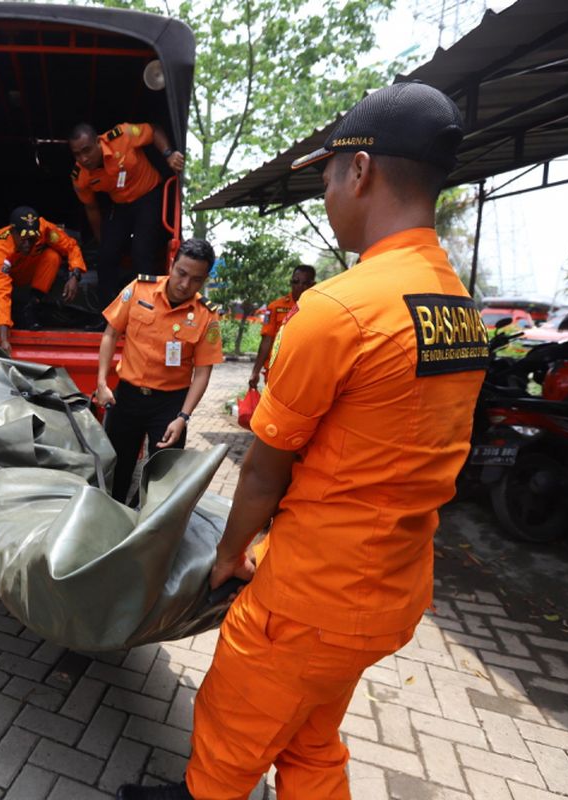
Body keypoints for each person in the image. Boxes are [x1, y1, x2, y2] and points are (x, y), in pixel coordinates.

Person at [116, 81, 484, 800]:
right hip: (394, 588)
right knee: (311, 736)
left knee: (235, 719)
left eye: (325, 175)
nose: (324, 193)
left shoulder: (341, 309)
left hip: (312, 591)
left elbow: (262, 472)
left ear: (361, 170)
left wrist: (228, 555)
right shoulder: (457, 306)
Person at [93, 238, 223, 503]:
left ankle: (146, 528)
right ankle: (113, 518)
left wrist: (183, 417)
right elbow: (110, 333)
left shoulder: (206, 316)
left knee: (163, 477)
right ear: (172, 265)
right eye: (182, 273)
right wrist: (102, 383)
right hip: (127, 397)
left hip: (169, 405)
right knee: (118, 467)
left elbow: (203, 372)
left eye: (196, 279)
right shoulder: (139, 289)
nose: (185, 284)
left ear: (205, 280)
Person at [69, 122, 185, 305]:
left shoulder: (123, 135)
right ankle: (108, 316)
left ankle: (147, 309)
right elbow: (91, 209)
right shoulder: (80, 176)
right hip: (121, 205)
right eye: (77, 154)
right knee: (105, 256)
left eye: (87, 150)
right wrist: (102, 241)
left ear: (99, 142)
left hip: (149, 195)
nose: (83, 158)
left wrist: (168, 155)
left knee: (141, 252)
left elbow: (154, 130)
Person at [0, 205, 87, 353]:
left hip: (26, 272)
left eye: (32, 239)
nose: (28, 244)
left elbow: (71, 247)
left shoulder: (45, 229)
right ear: (12, 232)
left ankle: (32, 307)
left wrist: (75, 275)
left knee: (52, 256)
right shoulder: (0, 246)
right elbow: (0, 289)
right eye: (23, 239)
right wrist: (4, 339)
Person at [248, 265, 316, 389]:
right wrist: (255, 372)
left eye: (305, 283)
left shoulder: (318, 309)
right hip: (276, 369)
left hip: (304, 372)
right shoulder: (275, 307)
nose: (299, 286)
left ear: (313, 284)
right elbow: (266, 340)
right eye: (295, 282)